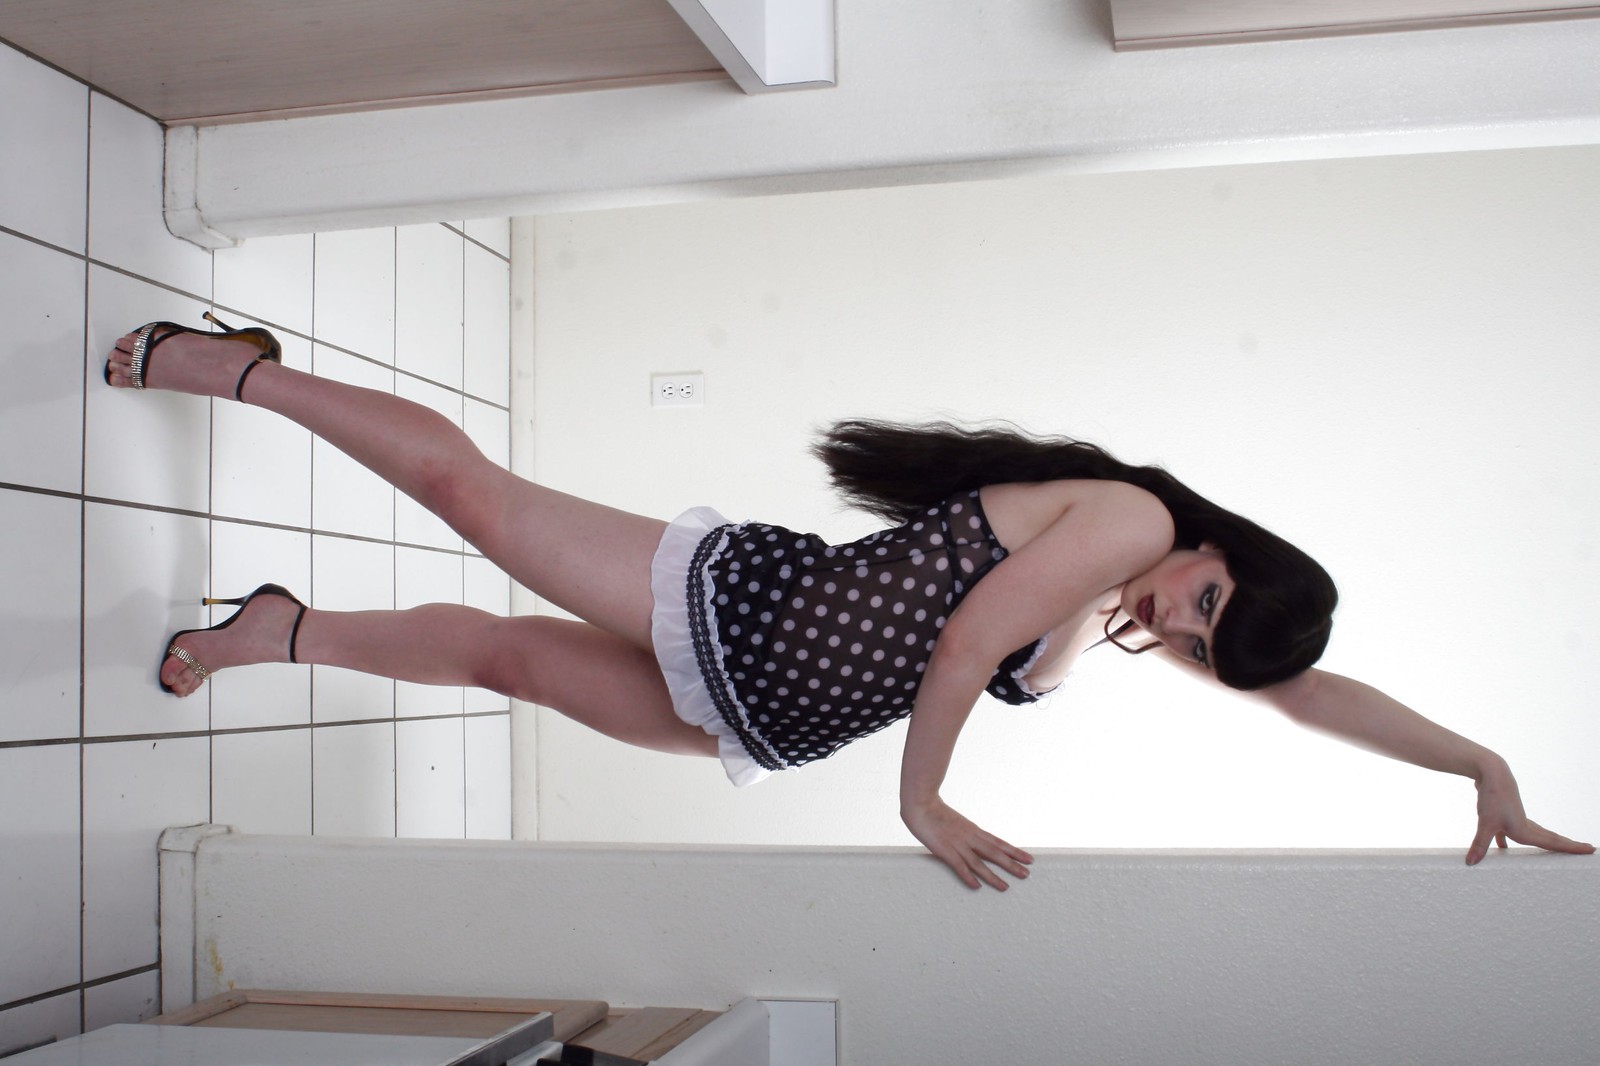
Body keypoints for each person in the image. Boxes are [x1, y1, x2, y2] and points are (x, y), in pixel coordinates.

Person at [104, 319, 1594, 890]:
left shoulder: (1126, 613)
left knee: (504, 663)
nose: (1178, 617)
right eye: (1208, 599)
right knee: (479, 503)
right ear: (1225, 546)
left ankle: (279, 631)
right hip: (750, 609)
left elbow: (1313, 695)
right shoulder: (1134, 518)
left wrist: (1477, 763)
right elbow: (966, 636)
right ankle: (240, 369)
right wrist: (923, 797)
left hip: (762, 711)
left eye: (1198, 637)